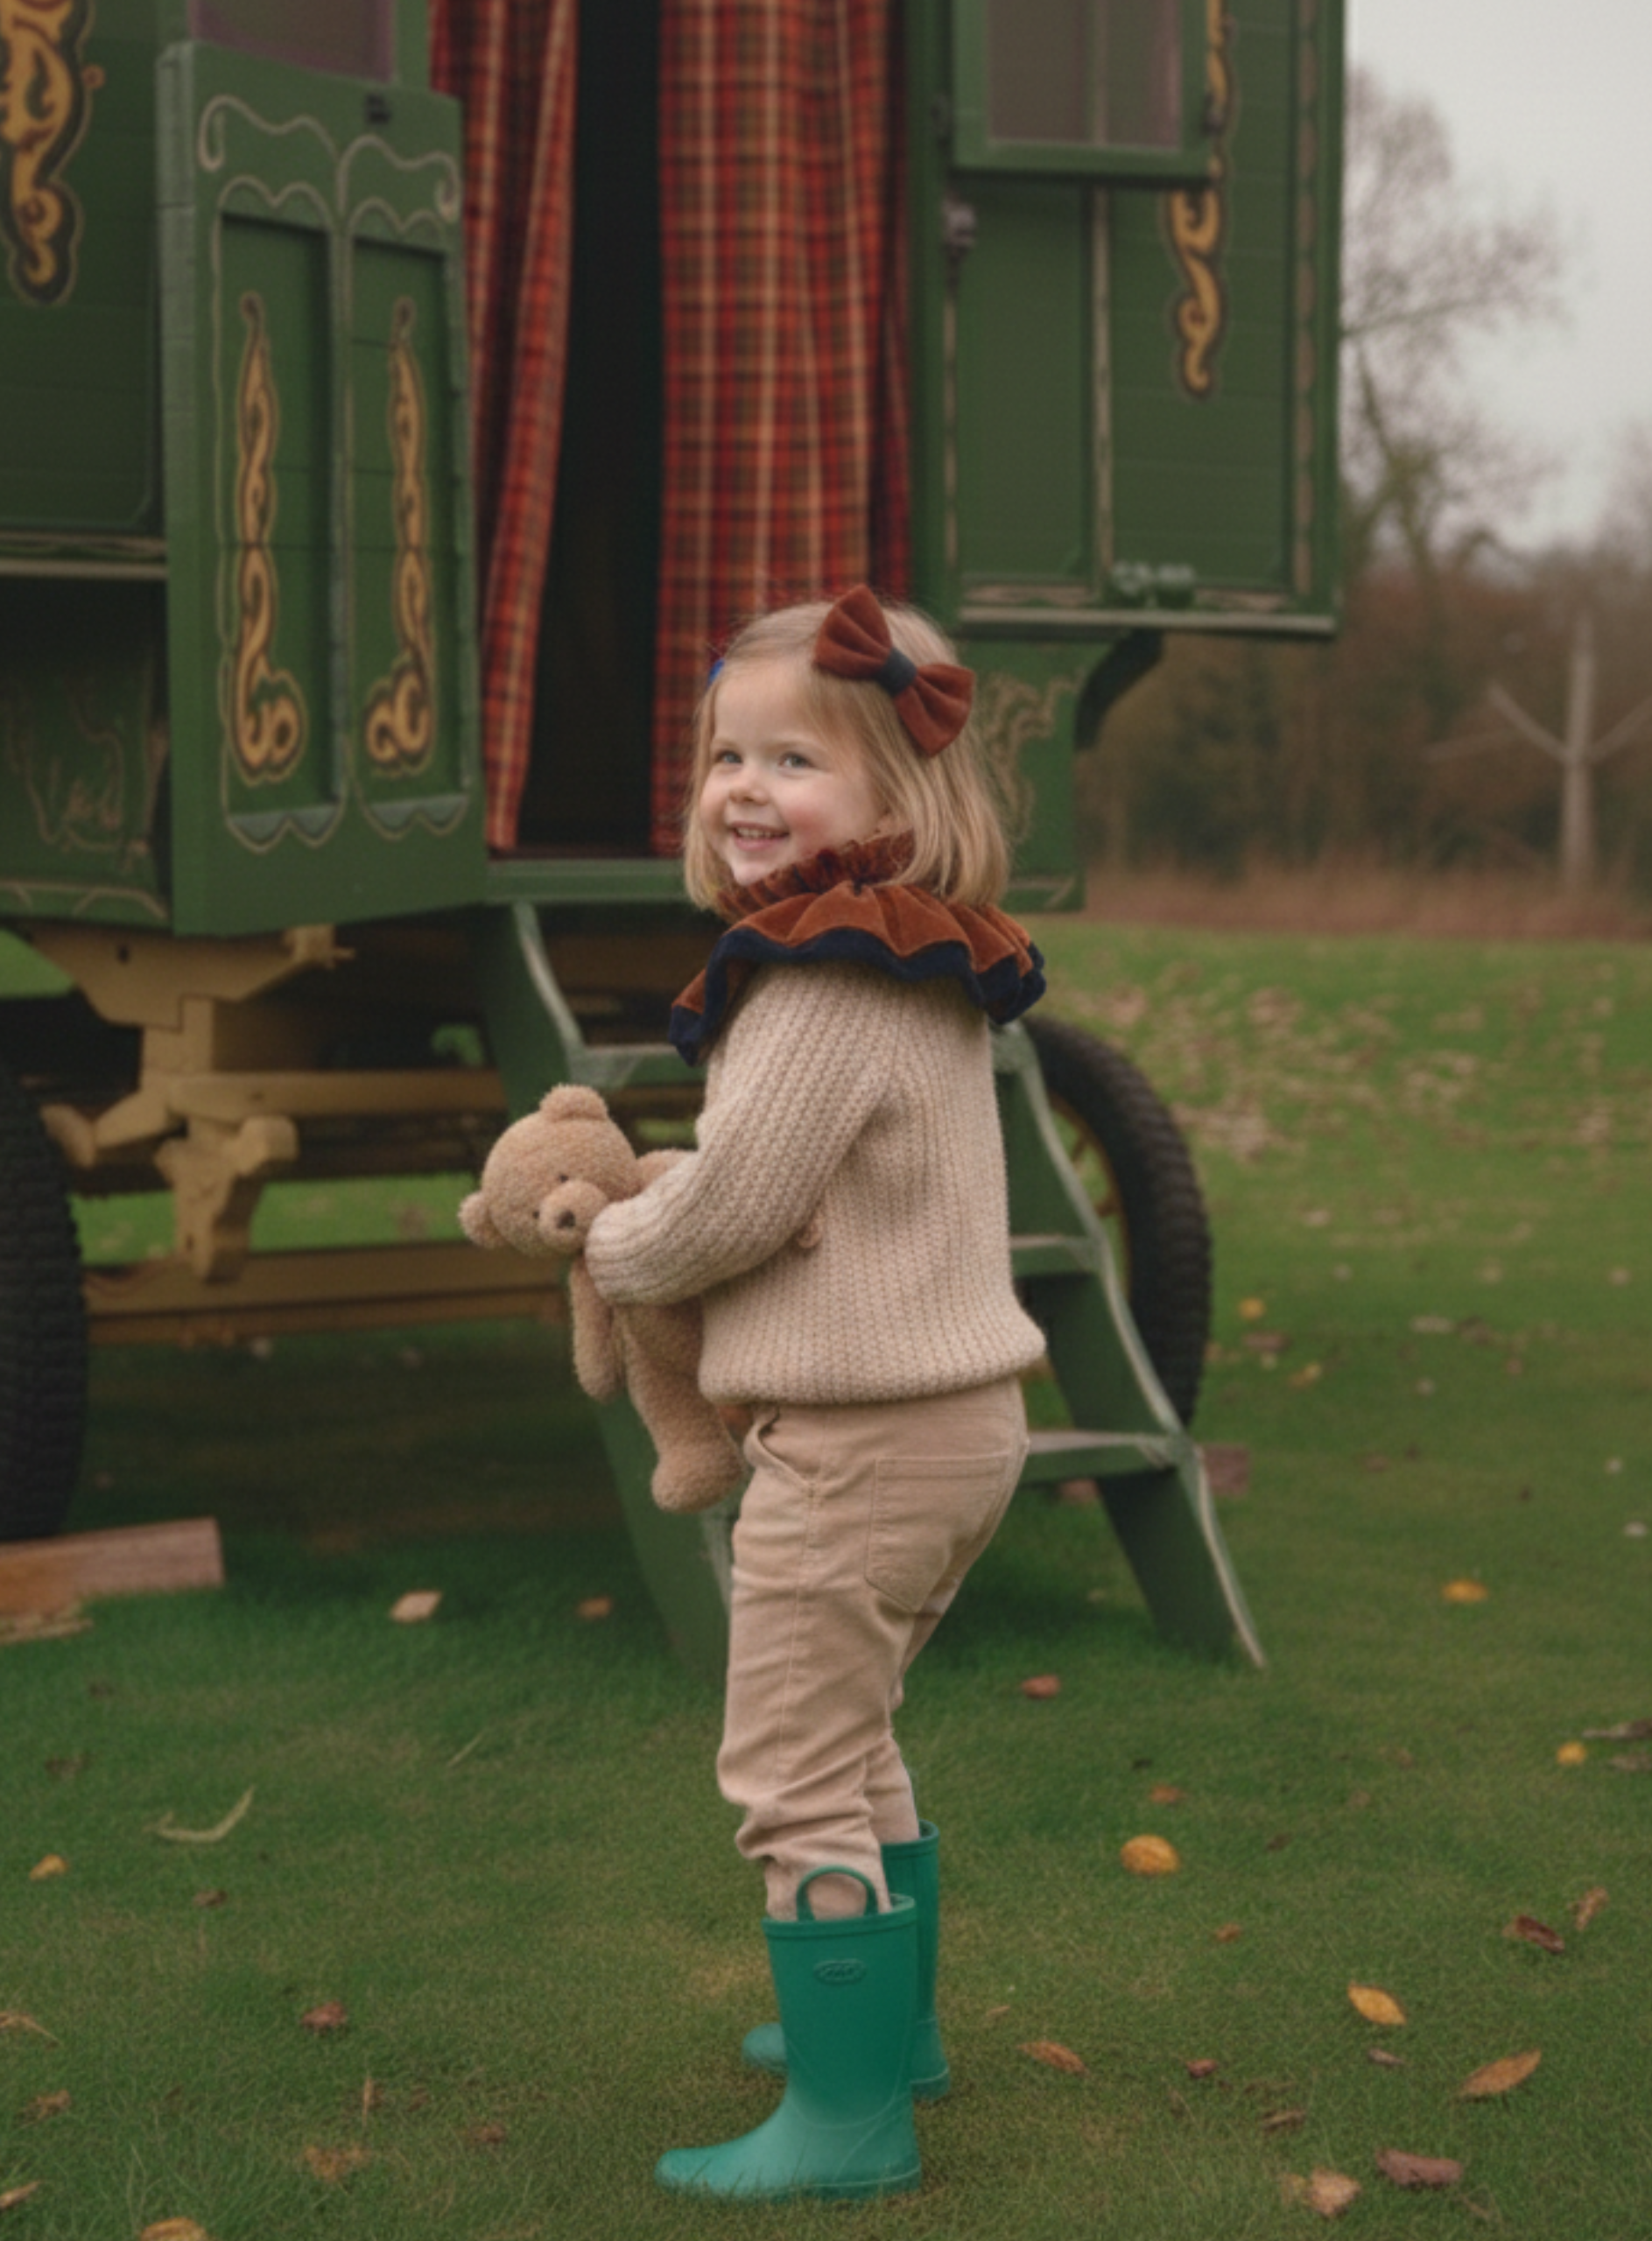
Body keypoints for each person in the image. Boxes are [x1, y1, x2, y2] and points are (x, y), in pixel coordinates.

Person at [584, 585, 1048, 2202]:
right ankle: (887, 2034)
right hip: (957, 1427)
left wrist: (614, 1236)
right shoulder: (909, 968)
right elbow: (794, 1188)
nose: (745, 789)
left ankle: (848, 2125)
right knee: (855, 1740)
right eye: (727, 756)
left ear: (898, 803)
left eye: (797, 758)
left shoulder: (822, 979)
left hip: (860, 1446)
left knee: (786, 1772)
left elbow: (731, 1208)